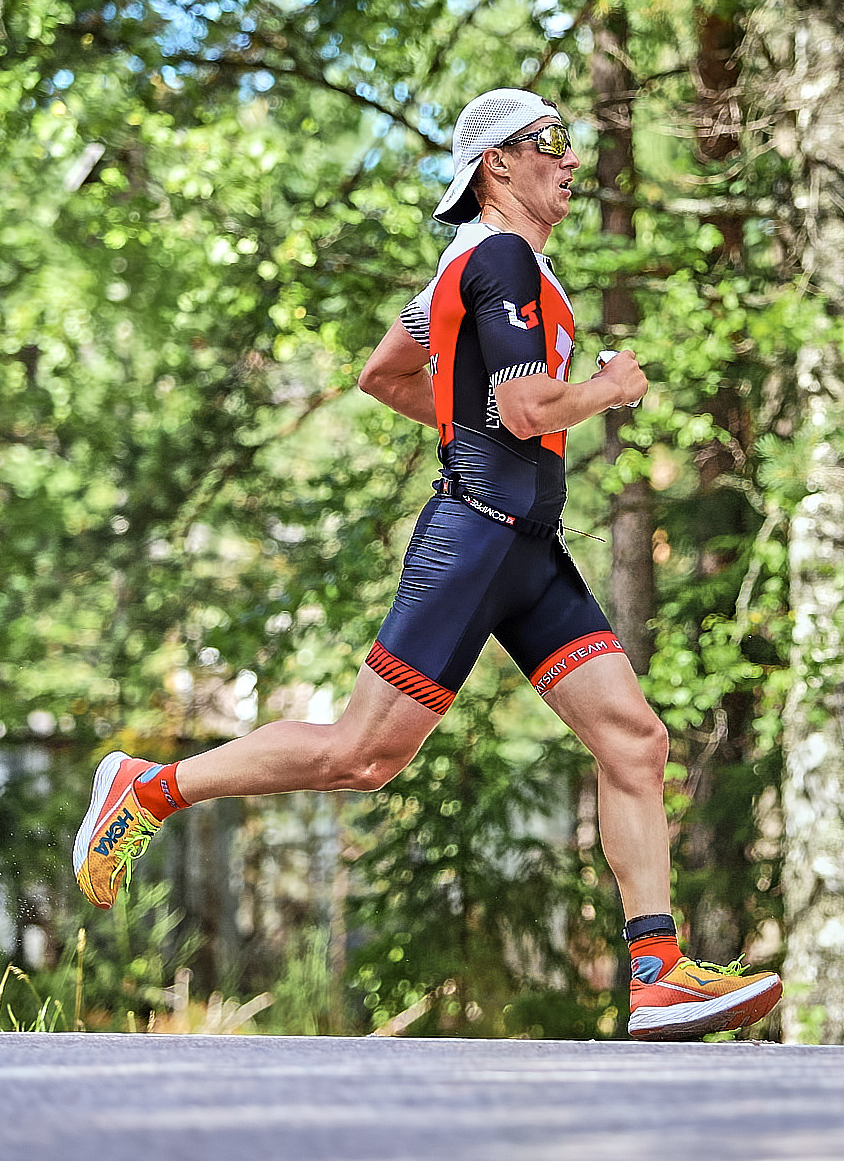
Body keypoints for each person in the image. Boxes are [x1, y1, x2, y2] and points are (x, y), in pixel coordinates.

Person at [72, 87, 781, 1041]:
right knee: (362, 755)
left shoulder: (486, 265)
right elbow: (528, 412)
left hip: (528, 551)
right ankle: (147, 787)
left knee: (635, 740)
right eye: (551, 143)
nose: (571, 161)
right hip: (476, 539)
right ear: (498, 162)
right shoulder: (495, 258)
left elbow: (386, 373)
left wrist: (471, 424)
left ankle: (657, 971)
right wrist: (609, 387)